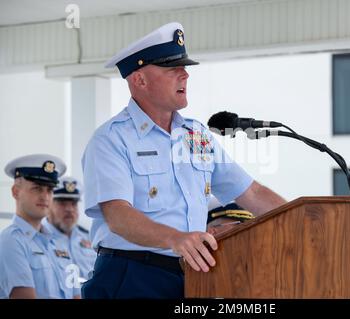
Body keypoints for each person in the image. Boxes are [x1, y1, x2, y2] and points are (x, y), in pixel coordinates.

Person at [81, 21, 287, 299]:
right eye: (172, 68)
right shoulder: (111, 139)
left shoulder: (196, 135)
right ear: (139, 79)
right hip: (131, 276)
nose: (185, 75)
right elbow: (118, 215)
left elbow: (250, 192)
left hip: (191, 276)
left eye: (185, 67)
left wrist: (303, 220)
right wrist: (175, 238)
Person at [0, 154, 80, 299]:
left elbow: (75, 295)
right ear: (16, 192)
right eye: (37, 188)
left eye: (49, 190)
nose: (45, 196)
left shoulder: (60, 243)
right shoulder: (10, 241)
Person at [42, 176, 96, 285]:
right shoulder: (39, 239)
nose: (69, 209)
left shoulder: (90, 238)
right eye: (62, 203)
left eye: (74, 203)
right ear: (49, 205)